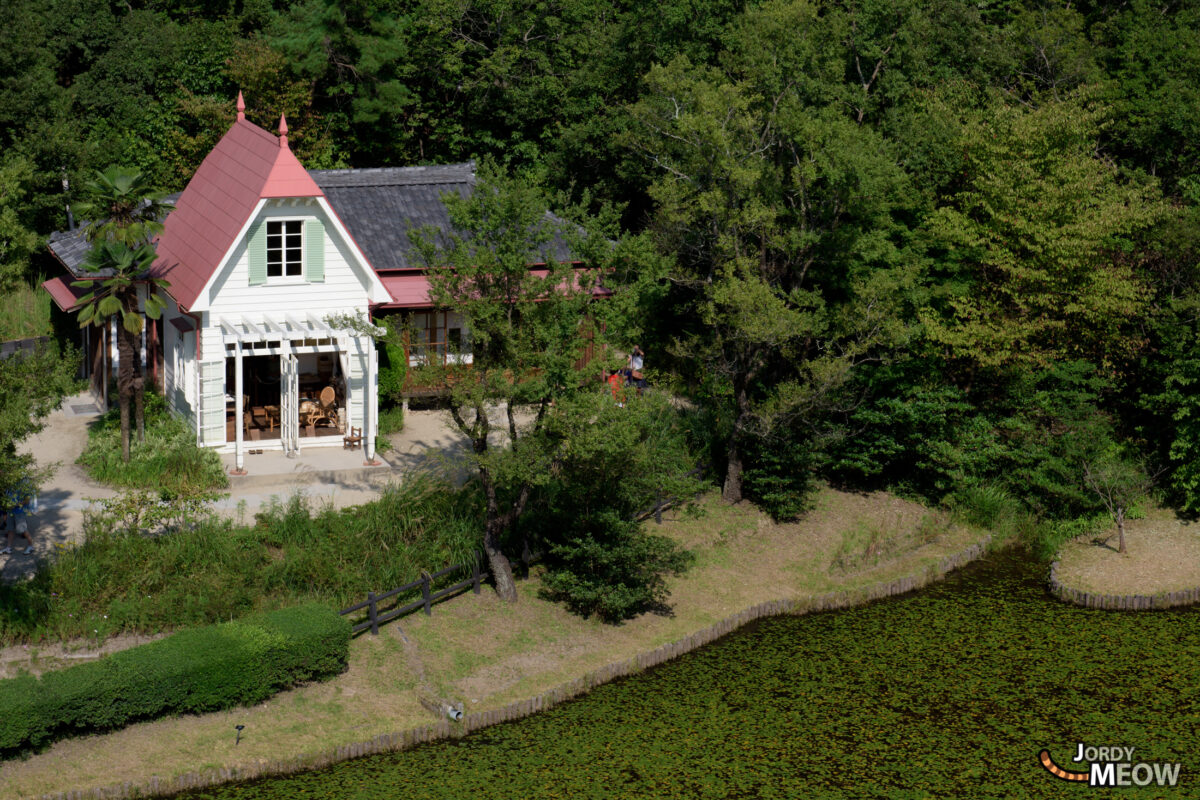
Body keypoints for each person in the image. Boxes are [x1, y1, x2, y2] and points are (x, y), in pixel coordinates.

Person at [1, 479, 37, 556]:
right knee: (10, 529)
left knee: (23, 530)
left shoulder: (25, 484)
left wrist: (15, 505)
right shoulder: (10, 483)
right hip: (11, 511)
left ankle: (31, 546)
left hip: (19, 512)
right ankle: (8, 548)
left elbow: (27, 500)